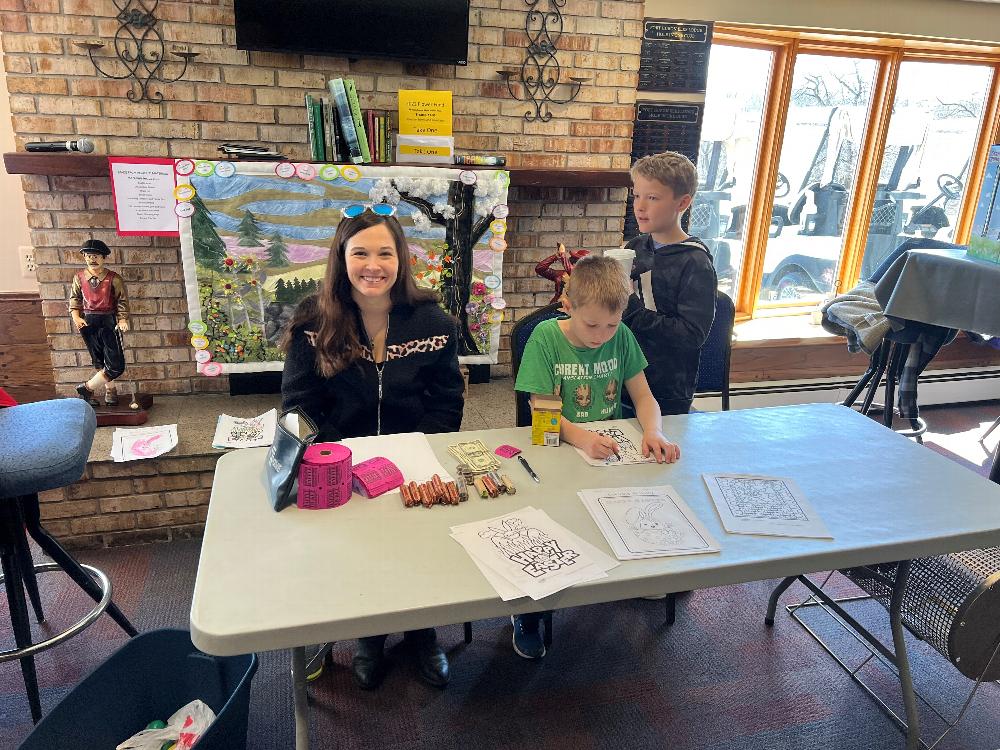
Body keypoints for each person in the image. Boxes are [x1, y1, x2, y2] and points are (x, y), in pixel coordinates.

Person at [280, 207, 465, 690]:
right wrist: (331, 457)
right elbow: (299, 406)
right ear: (342, 259)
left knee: (420, 550)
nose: (373, 265)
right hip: (343, 466)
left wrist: (419, 449)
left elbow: (447, 399)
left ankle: (423, 634)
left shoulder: (432, 322)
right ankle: (369, 635)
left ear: (400, 259)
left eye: (385, 252)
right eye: (360, 252)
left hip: (413, 463)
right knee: (361, 555)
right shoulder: (311, 322)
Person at [512, 255, 681, 659]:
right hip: (557, 444)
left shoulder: (620, 335)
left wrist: (654, 430)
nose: (601, 335)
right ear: (567, 305)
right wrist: (581, 437)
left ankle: (637, 570)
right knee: (548, 526)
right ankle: (528, 613)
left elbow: (643, 396)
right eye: (592, 325)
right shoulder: (545, 338)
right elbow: (542, 409)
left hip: (608, 449)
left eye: (611, 325)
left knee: (636, 501)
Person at [622, 151, 717, 416]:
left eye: (652, 198)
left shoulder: (695, 262)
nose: (640, 206)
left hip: (667, 389)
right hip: (624, 376)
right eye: (637, 195)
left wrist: (631, 309)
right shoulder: (636, 247)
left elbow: (691, 335)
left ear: (682, 202)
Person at [69, 239, 130, 407]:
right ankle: (110, 389)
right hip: (88, 321)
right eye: (88, 256)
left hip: (108, 320)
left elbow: (121, 301)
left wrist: (122, 318)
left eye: (95, 256)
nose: (92, 259)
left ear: (103, 258)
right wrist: (76, 316)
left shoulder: (113, 279)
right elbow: (75, 299)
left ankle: (87, 388)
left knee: (115, 363)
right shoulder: (79, 278)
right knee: (98, 358)